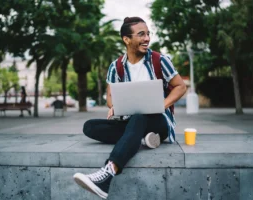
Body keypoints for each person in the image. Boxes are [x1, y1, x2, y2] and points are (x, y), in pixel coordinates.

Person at [73, 17, 187, 199]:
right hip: (130, 122)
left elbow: (180, 86)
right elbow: (110, 99)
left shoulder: (160, 60)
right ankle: (142, 140)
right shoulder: (116, 67)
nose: (147, 38)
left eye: (148, 34)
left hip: (159, 123)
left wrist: (160, 105)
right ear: (126, 39)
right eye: (141, 34)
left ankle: (108, 173)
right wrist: (114, 107)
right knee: (90, 126)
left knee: (139, 117)